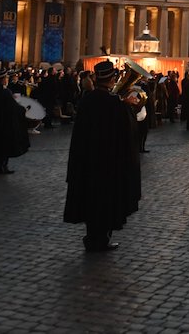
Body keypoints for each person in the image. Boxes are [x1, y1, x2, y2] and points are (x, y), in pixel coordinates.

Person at [63, 61, 141, 252]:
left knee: (90, 201)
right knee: (105, 204)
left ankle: (91, 237)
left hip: (88, 163)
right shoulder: (114, 103)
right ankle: (101, 239)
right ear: (112, 78)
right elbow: (128, 131)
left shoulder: (88, 100)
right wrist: (128, 107)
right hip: (107, 164)